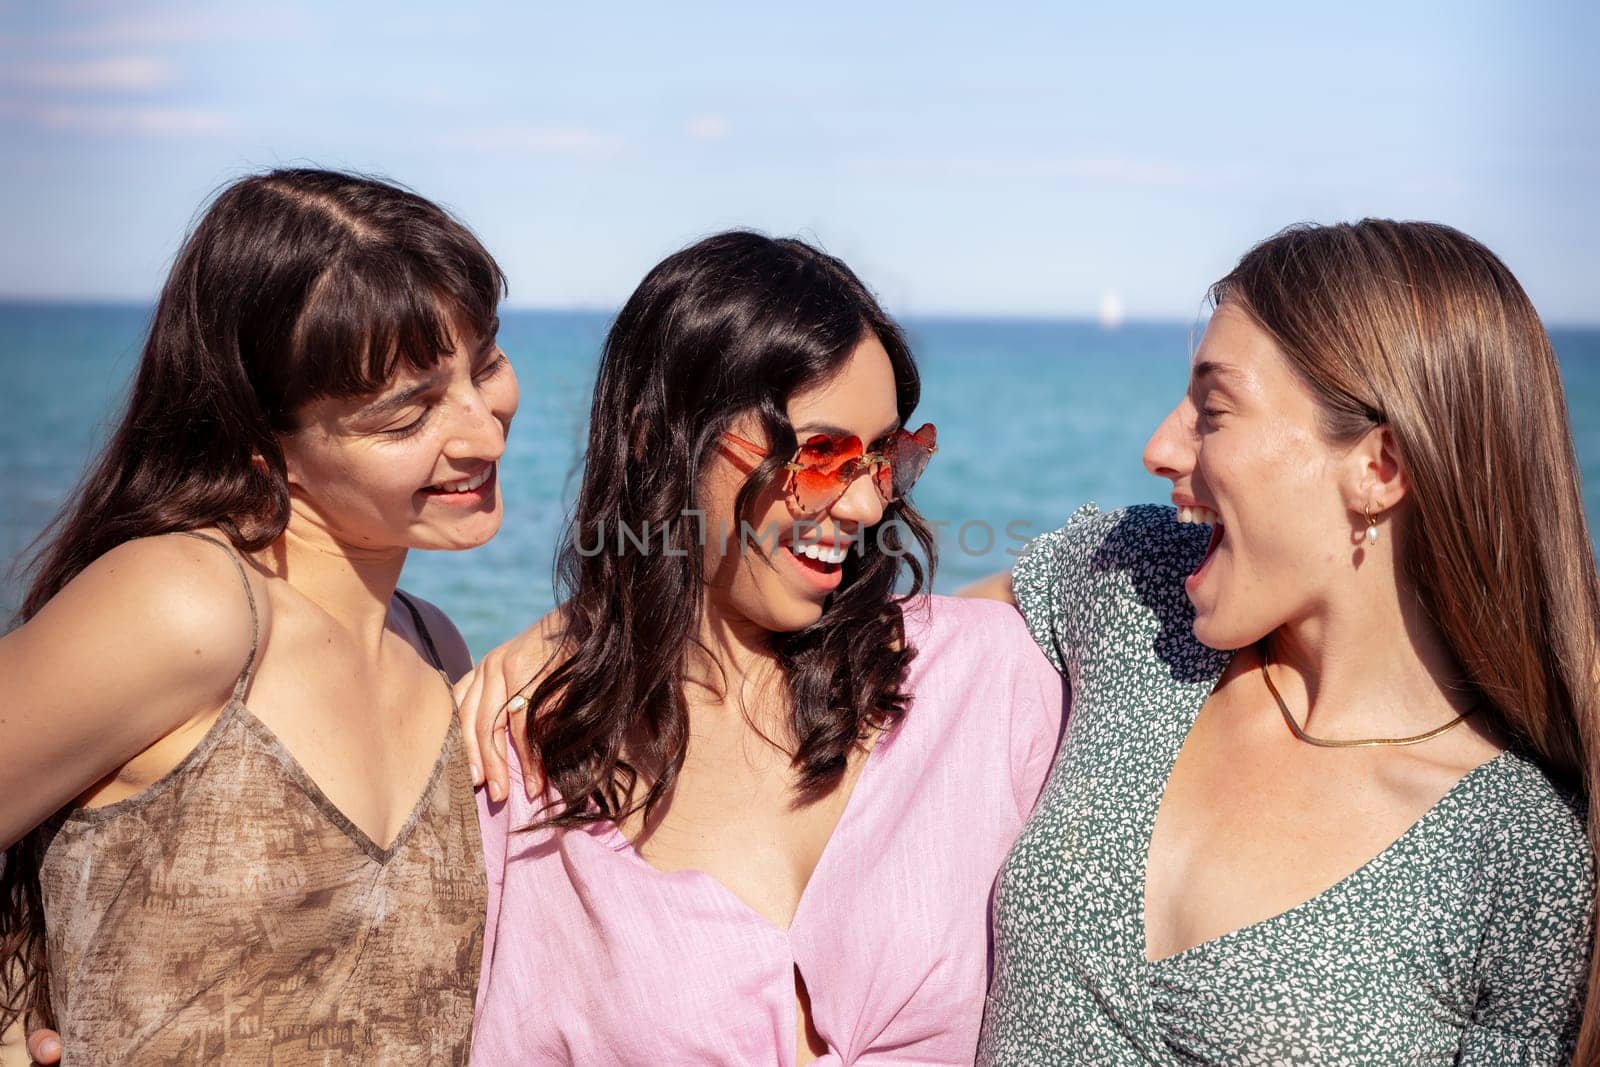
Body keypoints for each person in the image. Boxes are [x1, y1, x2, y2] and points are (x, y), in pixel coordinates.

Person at [972, 220, 1598, 1063]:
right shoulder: (1139, 587)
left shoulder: (1519, 854)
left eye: (1214, 412)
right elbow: (888, 654)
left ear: (1380, 467)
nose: (1159, 448)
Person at [457, 232, 1066, 1065]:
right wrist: (586, 635)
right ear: (653, 441)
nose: (861, 505)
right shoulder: (526, 759)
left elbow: (1156, 567)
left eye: (887, 457)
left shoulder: (987, 683)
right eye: (820, 455)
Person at [0, 168, 515, 1065]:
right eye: (408, 416)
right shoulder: (190, 605)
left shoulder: (435, 647)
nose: (485, 433)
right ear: (261, 440)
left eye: (486, 365)